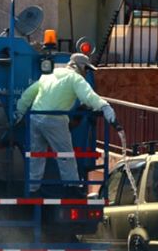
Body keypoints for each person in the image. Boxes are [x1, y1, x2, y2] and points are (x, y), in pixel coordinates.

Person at [14, 53, 119, 194]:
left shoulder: (49, 75)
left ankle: (33, 188)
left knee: (36, 155)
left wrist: (19, 112)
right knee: (65, 155)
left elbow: (28, 93)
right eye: (86, 69)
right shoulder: (75, 78)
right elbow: (88, 96)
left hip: (35, 117)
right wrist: (104, 106)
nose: (86, 73)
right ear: (80, 66)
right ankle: (72, 187)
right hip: (54, 120)